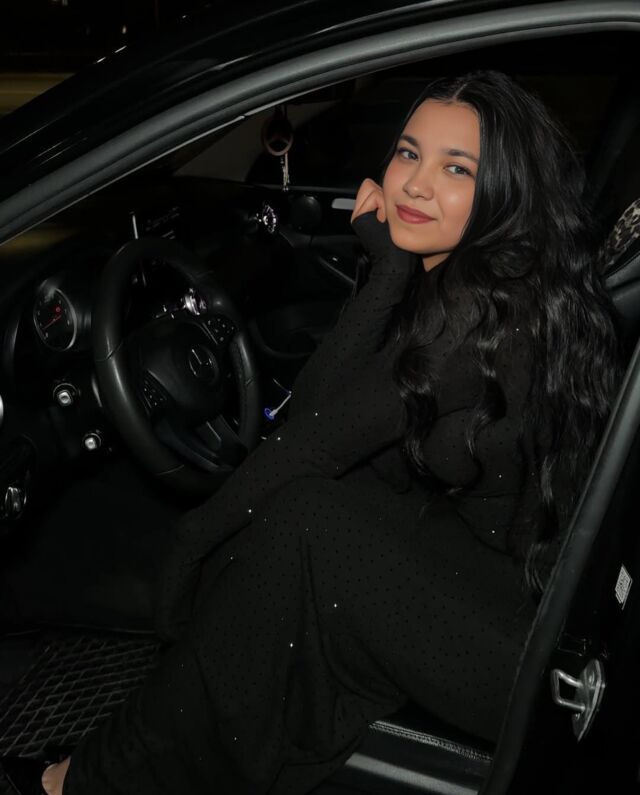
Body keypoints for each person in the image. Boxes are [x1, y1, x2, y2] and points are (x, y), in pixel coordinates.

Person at [40, 69, 620, 795]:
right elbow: (327, 417)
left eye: (456, 169)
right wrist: (386, 272)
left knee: (301, 523)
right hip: (510, 578)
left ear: (504, 191)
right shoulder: (484, 279)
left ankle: (89, 782)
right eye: (408, 153)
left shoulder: (477, 318)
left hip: (541, 651)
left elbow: (315, 436)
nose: (415, 184)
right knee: (306, 515)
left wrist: (190, 547)